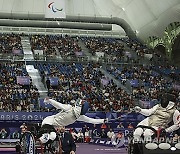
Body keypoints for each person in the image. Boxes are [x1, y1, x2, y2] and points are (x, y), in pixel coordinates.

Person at [38, 98, 107, 144]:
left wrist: (103, 120)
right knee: (45, 137)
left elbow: (92, 120)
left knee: (53, 136)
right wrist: (50, 100)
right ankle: (38, 137)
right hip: (48, 121)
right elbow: (58, 104)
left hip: (54, 127)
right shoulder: (69, 108)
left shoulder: (80, 117)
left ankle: (44, 142)